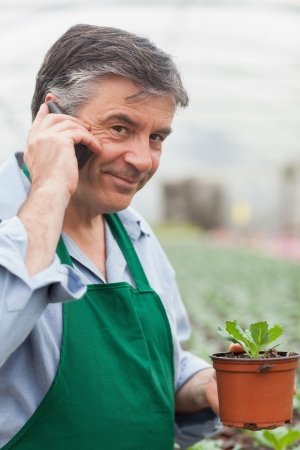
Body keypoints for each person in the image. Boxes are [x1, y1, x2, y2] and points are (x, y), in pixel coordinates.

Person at [0, 24, 221, 449]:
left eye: (156, 137)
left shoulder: (136, 236)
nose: (142, 159)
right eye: (120, 127)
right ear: (53, 119)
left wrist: (204, 386)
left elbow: (160, 377)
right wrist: (49, 189)